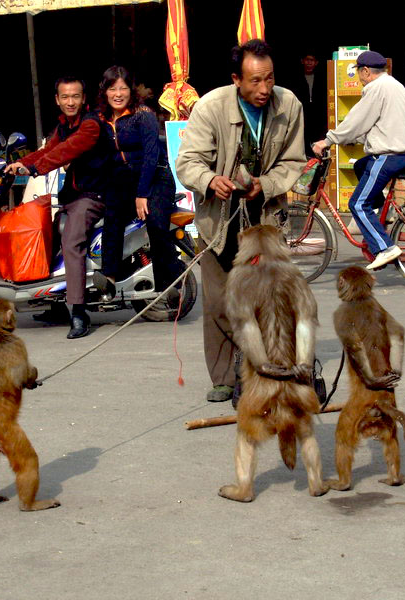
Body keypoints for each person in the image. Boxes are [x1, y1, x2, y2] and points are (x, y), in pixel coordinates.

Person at [176, 39, 306, 403]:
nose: (264, 89)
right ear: (237, 79)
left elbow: (293, 162)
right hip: (218, 221)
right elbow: (188, 162)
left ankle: (265, 368)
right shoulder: (210, 107)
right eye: (254, 81)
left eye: (269, 79)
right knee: (219, 302)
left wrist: (266, 185)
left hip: (264, 217)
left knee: (269, 299)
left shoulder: (289, 104)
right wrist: (209, 180)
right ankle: (222, 377)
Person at [5, 76, 113, 339]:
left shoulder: (90, 125)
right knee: (44, 235)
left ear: (83, 98)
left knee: (71, 242)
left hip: (93, 196)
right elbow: (48, 150)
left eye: (75, 96)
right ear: (57, 100)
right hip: (73, 195)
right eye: (65, 97)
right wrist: (17, 164)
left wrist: (32, 168)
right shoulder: (64, 125)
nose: (70, 101)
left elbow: (65, 151)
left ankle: (78, 311)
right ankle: (56, 303)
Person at [312, 51, 405, 270]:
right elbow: (380, 122)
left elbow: (356, 120)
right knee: (362, 165)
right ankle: (379, 213)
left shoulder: (375, 88)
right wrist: (356, 138)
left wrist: (328, 140)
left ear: (365, 71)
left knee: (357, 203)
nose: (359, 78)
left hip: (390, 155)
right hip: (403, 154)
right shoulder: (394, 84)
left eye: (359, 73)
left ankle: (384, 248)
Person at [95, 66, 183, 295]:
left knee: (155, 221)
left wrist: (142, 194)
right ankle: (110, 277)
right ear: (104, 91)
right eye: (112, 88)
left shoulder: (143, 114)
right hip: (125, 180)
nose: (118, 94)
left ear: (130, 91)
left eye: (123, 88)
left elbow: (152, 154)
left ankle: (169, 283)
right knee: (111, 217)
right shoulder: (102, 120)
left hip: (156, 177)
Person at [289, 52, 328, 158]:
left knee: (318, 139)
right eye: (307, 60)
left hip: (318, 114)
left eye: (312, 60)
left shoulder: (322, 78)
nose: (309, 63)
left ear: (316, 63)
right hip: (302, 113)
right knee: (302, 138)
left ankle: (318, 162)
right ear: (302, 61)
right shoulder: (295, 78)